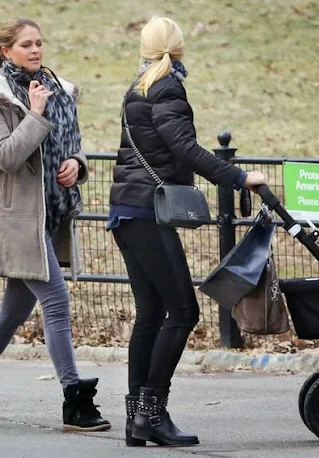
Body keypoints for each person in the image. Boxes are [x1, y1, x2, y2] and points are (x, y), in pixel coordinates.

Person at [0, 17, 111, 432]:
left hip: (50, 216)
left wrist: (77, 165)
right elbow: (6, 157)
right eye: (26, 45)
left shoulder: (59, 88)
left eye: (39, 43)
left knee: (15, 308)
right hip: (18, 220)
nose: (36, 50)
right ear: (6, 51)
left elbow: (73, 146)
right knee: (55, 300)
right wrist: (35, 113)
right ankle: (75, 399)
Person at [108, 16, 267, 447]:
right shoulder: (167, 87)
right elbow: (186, 149)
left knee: (150, 315)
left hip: (126, 211)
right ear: (179, 47)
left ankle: (136, 420)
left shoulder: (138, 87)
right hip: (146, 213)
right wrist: (238, 177)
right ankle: (151, 415)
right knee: (183, 312)